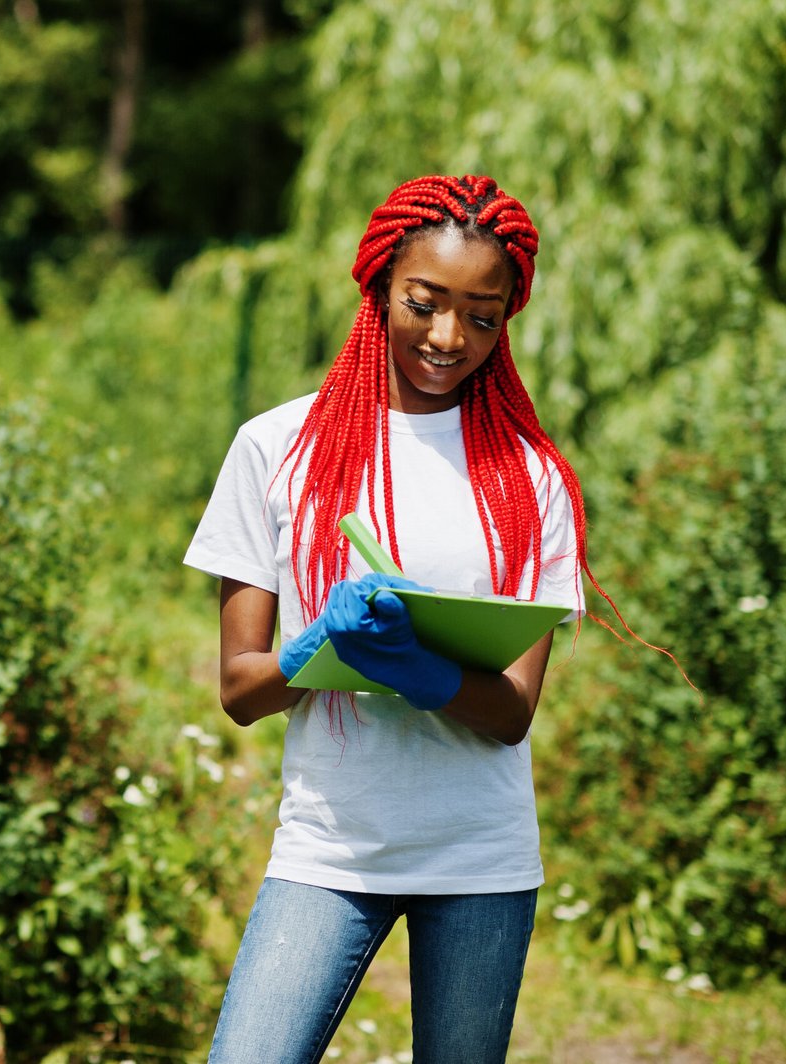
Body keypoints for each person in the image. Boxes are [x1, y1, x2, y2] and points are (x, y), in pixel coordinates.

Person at [184, 174, 603, 1063]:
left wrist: (420, 670)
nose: (449, 337)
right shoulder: (276, 449)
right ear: (379, 284)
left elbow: (511, 716)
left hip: (480, 860)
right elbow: (240, 692)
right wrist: (320, 646)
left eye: (482, 316)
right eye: (425, 302)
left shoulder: (530, 484)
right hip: (329, 850)